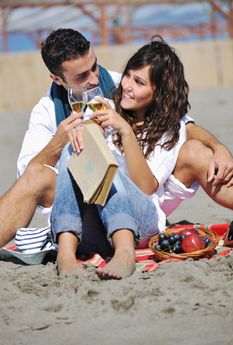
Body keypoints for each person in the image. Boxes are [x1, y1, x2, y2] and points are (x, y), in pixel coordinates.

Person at [0, 28, 232, 249]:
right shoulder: (46, 111)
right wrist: (59, 142)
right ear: (57, 79)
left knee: (196, 151)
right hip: (80, 204)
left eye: (94, 66)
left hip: (140, 198)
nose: (93, 79)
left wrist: (218, 147)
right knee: (40, 173)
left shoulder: (119, 85)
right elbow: (27, 177)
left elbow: (179, 121)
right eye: (82, 76)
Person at [50, 35, 233, 279]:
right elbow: (82, 155)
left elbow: (146, 188)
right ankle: (65, 256)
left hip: (142, 223)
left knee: (109, 167)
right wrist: (88, 132)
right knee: (73, 146)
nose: (127, 85)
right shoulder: (104, 107)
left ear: (158, 93)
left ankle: (125, 254)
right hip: (99, 224)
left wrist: (125, 131)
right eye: (128, 75)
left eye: (139, 82)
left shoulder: (171, 130)